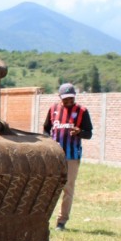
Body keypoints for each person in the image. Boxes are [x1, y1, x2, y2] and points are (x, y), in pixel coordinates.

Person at [43, 83, 93, 231]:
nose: (68, 101)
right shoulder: (53, 109)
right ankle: (42, 219)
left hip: (72, 156)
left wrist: (79, 132)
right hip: (54, 155)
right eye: (65, 99)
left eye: (71, 98)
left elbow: (89, 133)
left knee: (67, 188)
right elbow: (46, 128)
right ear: (60, 97)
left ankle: (61, 222)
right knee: (49, 187)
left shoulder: (82, 111)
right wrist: (47, 143)